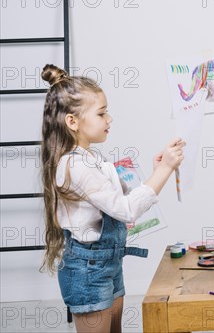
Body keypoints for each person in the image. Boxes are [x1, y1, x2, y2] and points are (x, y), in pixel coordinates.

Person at [39, 64, 186, 332]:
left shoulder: (93, 158)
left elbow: (120, 199)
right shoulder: (76, 166)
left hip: (108, 264)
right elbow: (126, 210)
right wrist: (165, 170)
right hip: (88, 270)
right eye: (101, 113)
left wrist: (157, 171)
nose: (109, 119)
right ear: (72, 121)